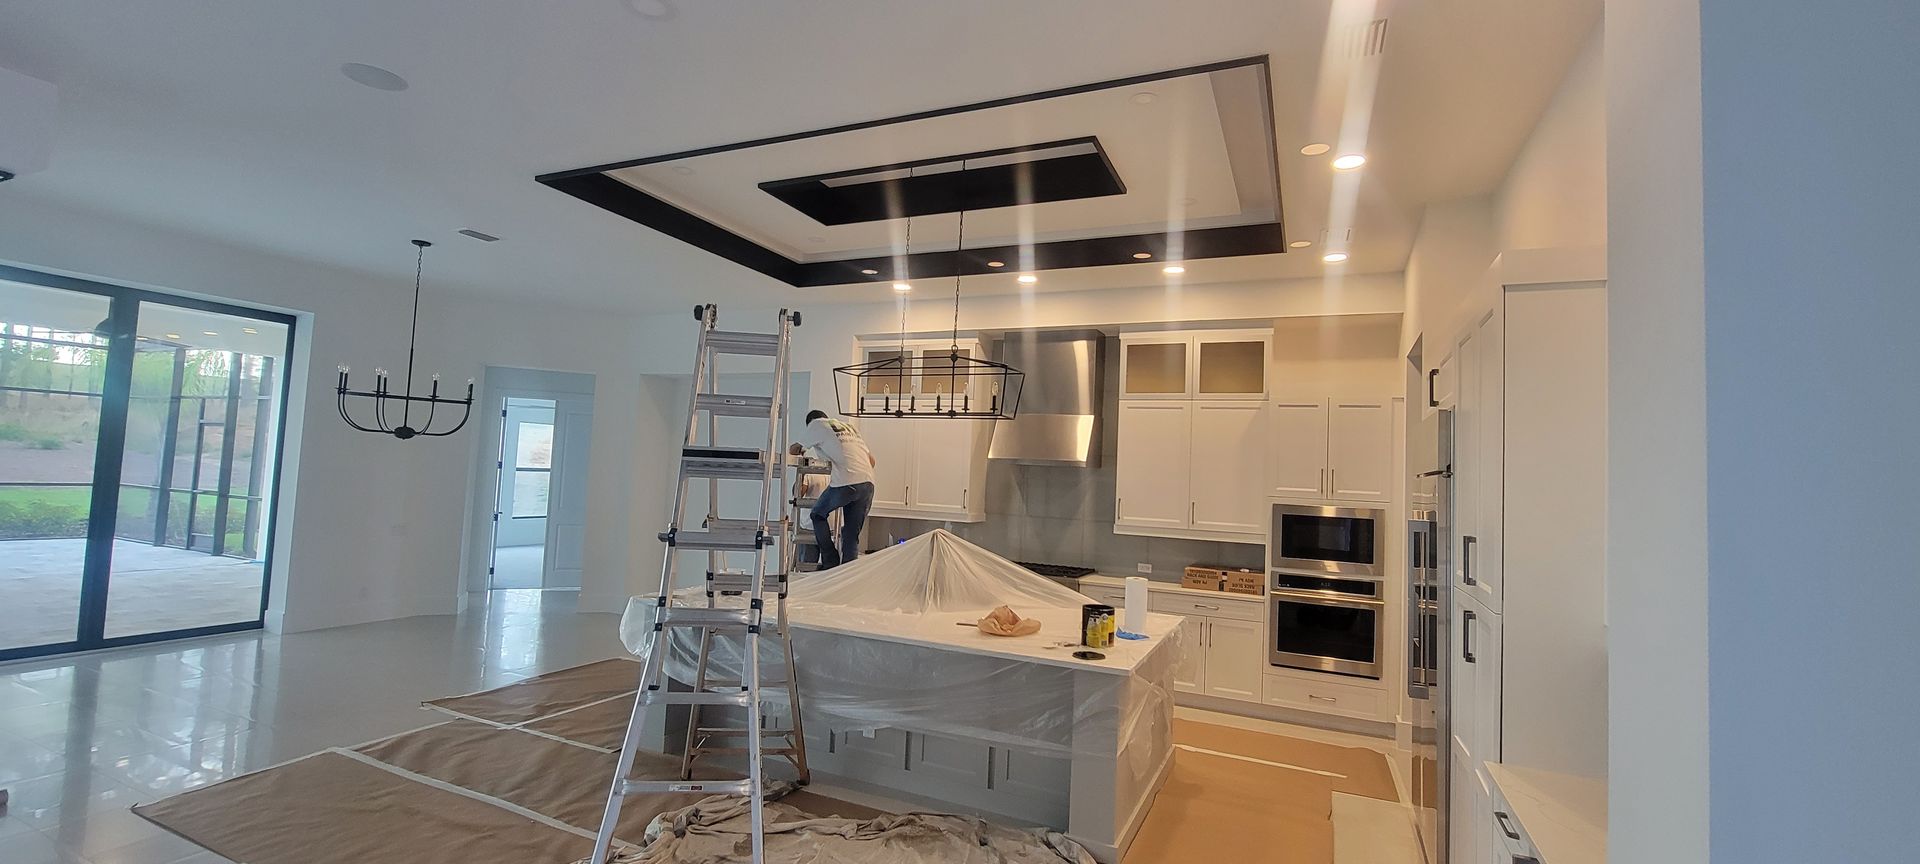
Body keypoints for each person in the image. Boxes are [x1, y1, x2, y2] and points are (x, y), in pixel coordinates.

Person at [788, 410, 875, 569]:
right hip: (868, 483)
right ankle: (846, 576)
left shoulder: (816, 424)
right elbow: (872, 461)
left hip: (847, 481)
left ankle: (830, 559)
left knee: (817, 514)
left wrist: (803, 446)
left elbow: (793, 450)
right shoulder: (849, 427)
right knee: (850, 535)